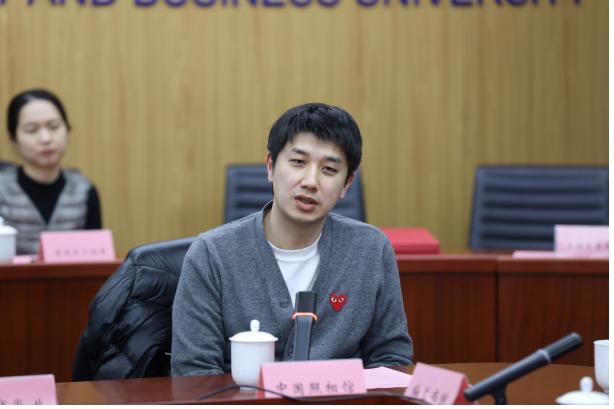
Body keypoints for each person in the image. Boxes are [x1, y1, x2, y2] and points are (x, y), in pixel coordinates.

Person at [172, 103, 413, 376]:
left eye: (329, 169)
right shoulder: (211, 255)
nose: (310, 181)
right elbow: (194, 374)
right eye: (298, 162)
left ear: (347, 184)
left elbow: (392, 359)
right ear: (271, 166)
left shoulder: (371, 250)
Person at [0, 89, 102, 255]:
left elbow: (97, 257)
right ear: (13, 139)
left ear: (67, 130)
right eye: (32, 130)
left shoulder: (84, 190)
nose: (46, 138)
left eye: (54, 127)